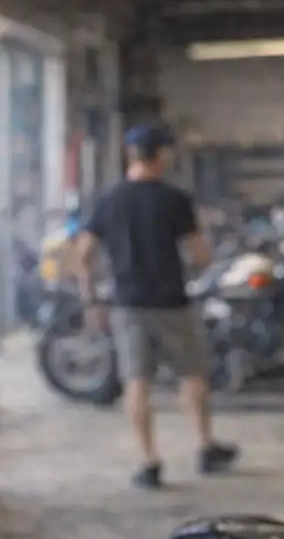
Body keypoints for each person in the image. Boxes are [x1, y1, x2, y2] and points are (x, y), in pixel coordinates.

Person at [73, 122, 238, 488]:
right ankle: (204, 446)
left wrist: (91, 299)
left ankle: (149, 462)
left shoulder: (109, 200)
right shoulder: (174, 199)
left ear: (131, 155)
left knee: (137, 382)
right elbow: (199, 255)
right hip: (172, 301)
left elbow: (83, 253)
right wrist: (204, 256)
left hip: (127, 304)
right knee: (192, 375)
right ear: (161, 154)